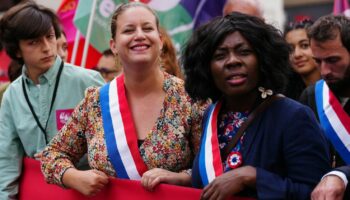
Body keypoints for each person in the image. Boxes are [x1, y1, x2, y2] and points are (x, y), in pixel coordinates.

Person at [40, 2, 207, 196]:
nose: (139, 35)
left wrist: (182, 178)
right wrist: (74, 177)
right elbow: (52, 155)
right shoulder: (95, 102)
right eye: (128, 30)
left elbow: (211, 167)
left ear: (160, 40)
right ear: (114, 45)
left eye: (147, 28)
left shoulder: (190, 99)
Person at [183, 12, 330, 199]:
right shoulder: (211, 115)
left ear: (263, 59)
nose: (233, 61)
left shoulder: (294, 116)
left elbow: (315, 193)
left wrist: (252, 177)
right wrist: (182, 179)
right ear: (206, 67)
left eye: (244, 52)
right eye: (220, 55)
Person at [0, 2, 104, 199]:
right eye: (33, 42)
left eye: (49, 37)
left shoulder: (88, 81)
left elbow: (107, 146)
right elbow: (6, 159)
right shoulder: (12, 94)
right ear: (17, 50)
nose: (47, 48)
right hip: (35, 191)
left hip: (84, 191)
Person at [296, 14, 350, 200]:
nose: (324, 71)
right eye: (318, 61)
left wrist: (342, 174)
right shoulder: (311, 97)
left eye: (333, 60)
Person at [284, 19, 321, 100]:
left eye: (304, 45)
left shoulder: (336, 88)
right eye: (290, 49)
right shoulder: (286, 96)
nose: (297, 54)